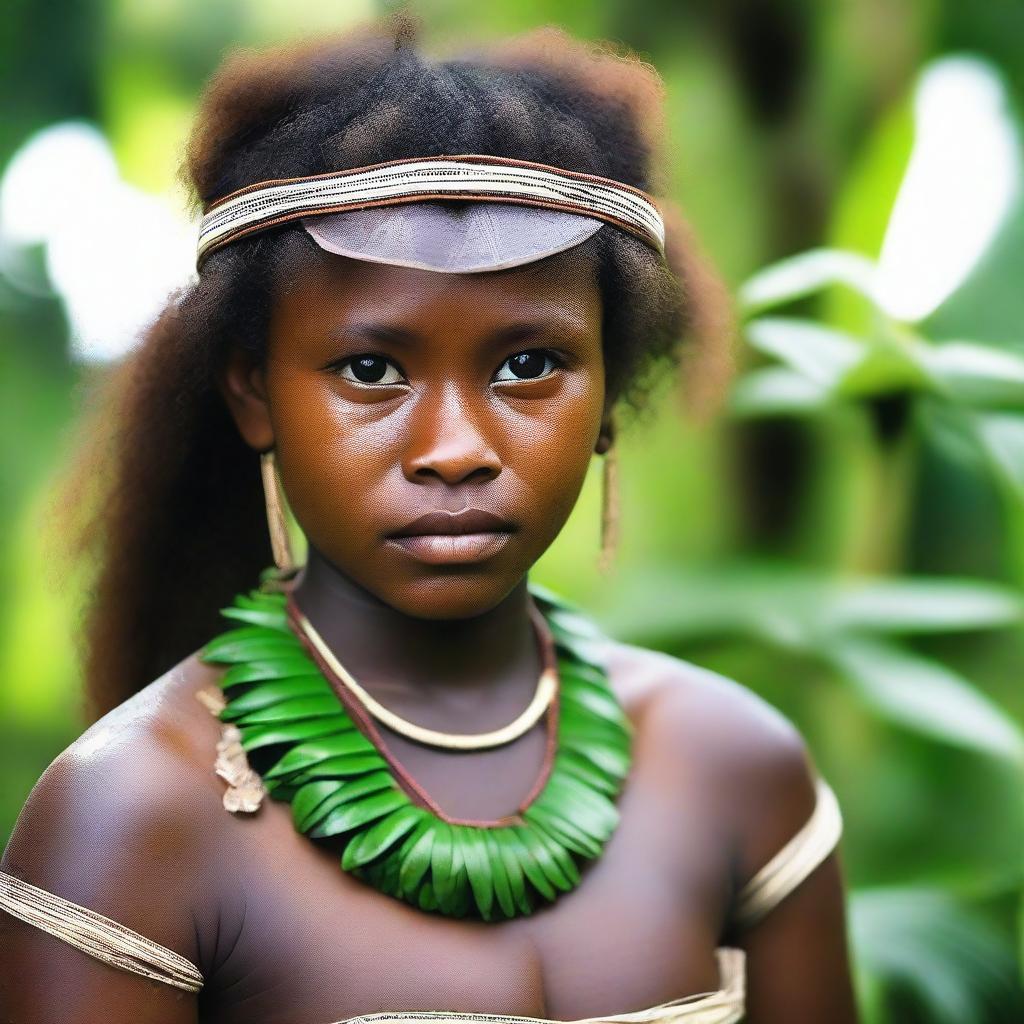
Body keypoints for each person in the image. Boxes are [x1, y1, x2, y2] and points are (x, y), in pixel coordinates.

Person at [0, 13, 859, 1023]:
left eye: (527, 365)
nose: (455, 446)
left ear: (610, 389)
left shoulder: (734, 766)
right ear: (254, 393)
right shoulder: (135, 816)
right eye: (370, 370)